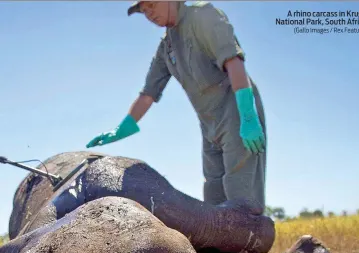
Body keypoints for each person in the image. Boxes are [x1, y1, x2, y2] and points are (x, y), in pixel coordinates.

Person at [86, 1, 267, 213]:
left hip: (236, 111)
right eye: (144, 11)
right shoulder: (166, 47)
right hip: (208, 123)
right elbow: (148, 93)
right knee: (214, 194)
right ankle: (219, 248)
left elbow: (233, 62)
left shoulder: (202, 16)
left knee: (241, 192)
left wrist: (247, 115)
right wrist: (122, 128)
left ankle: (249, 246)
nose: (149, 13)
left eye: (152, 5)